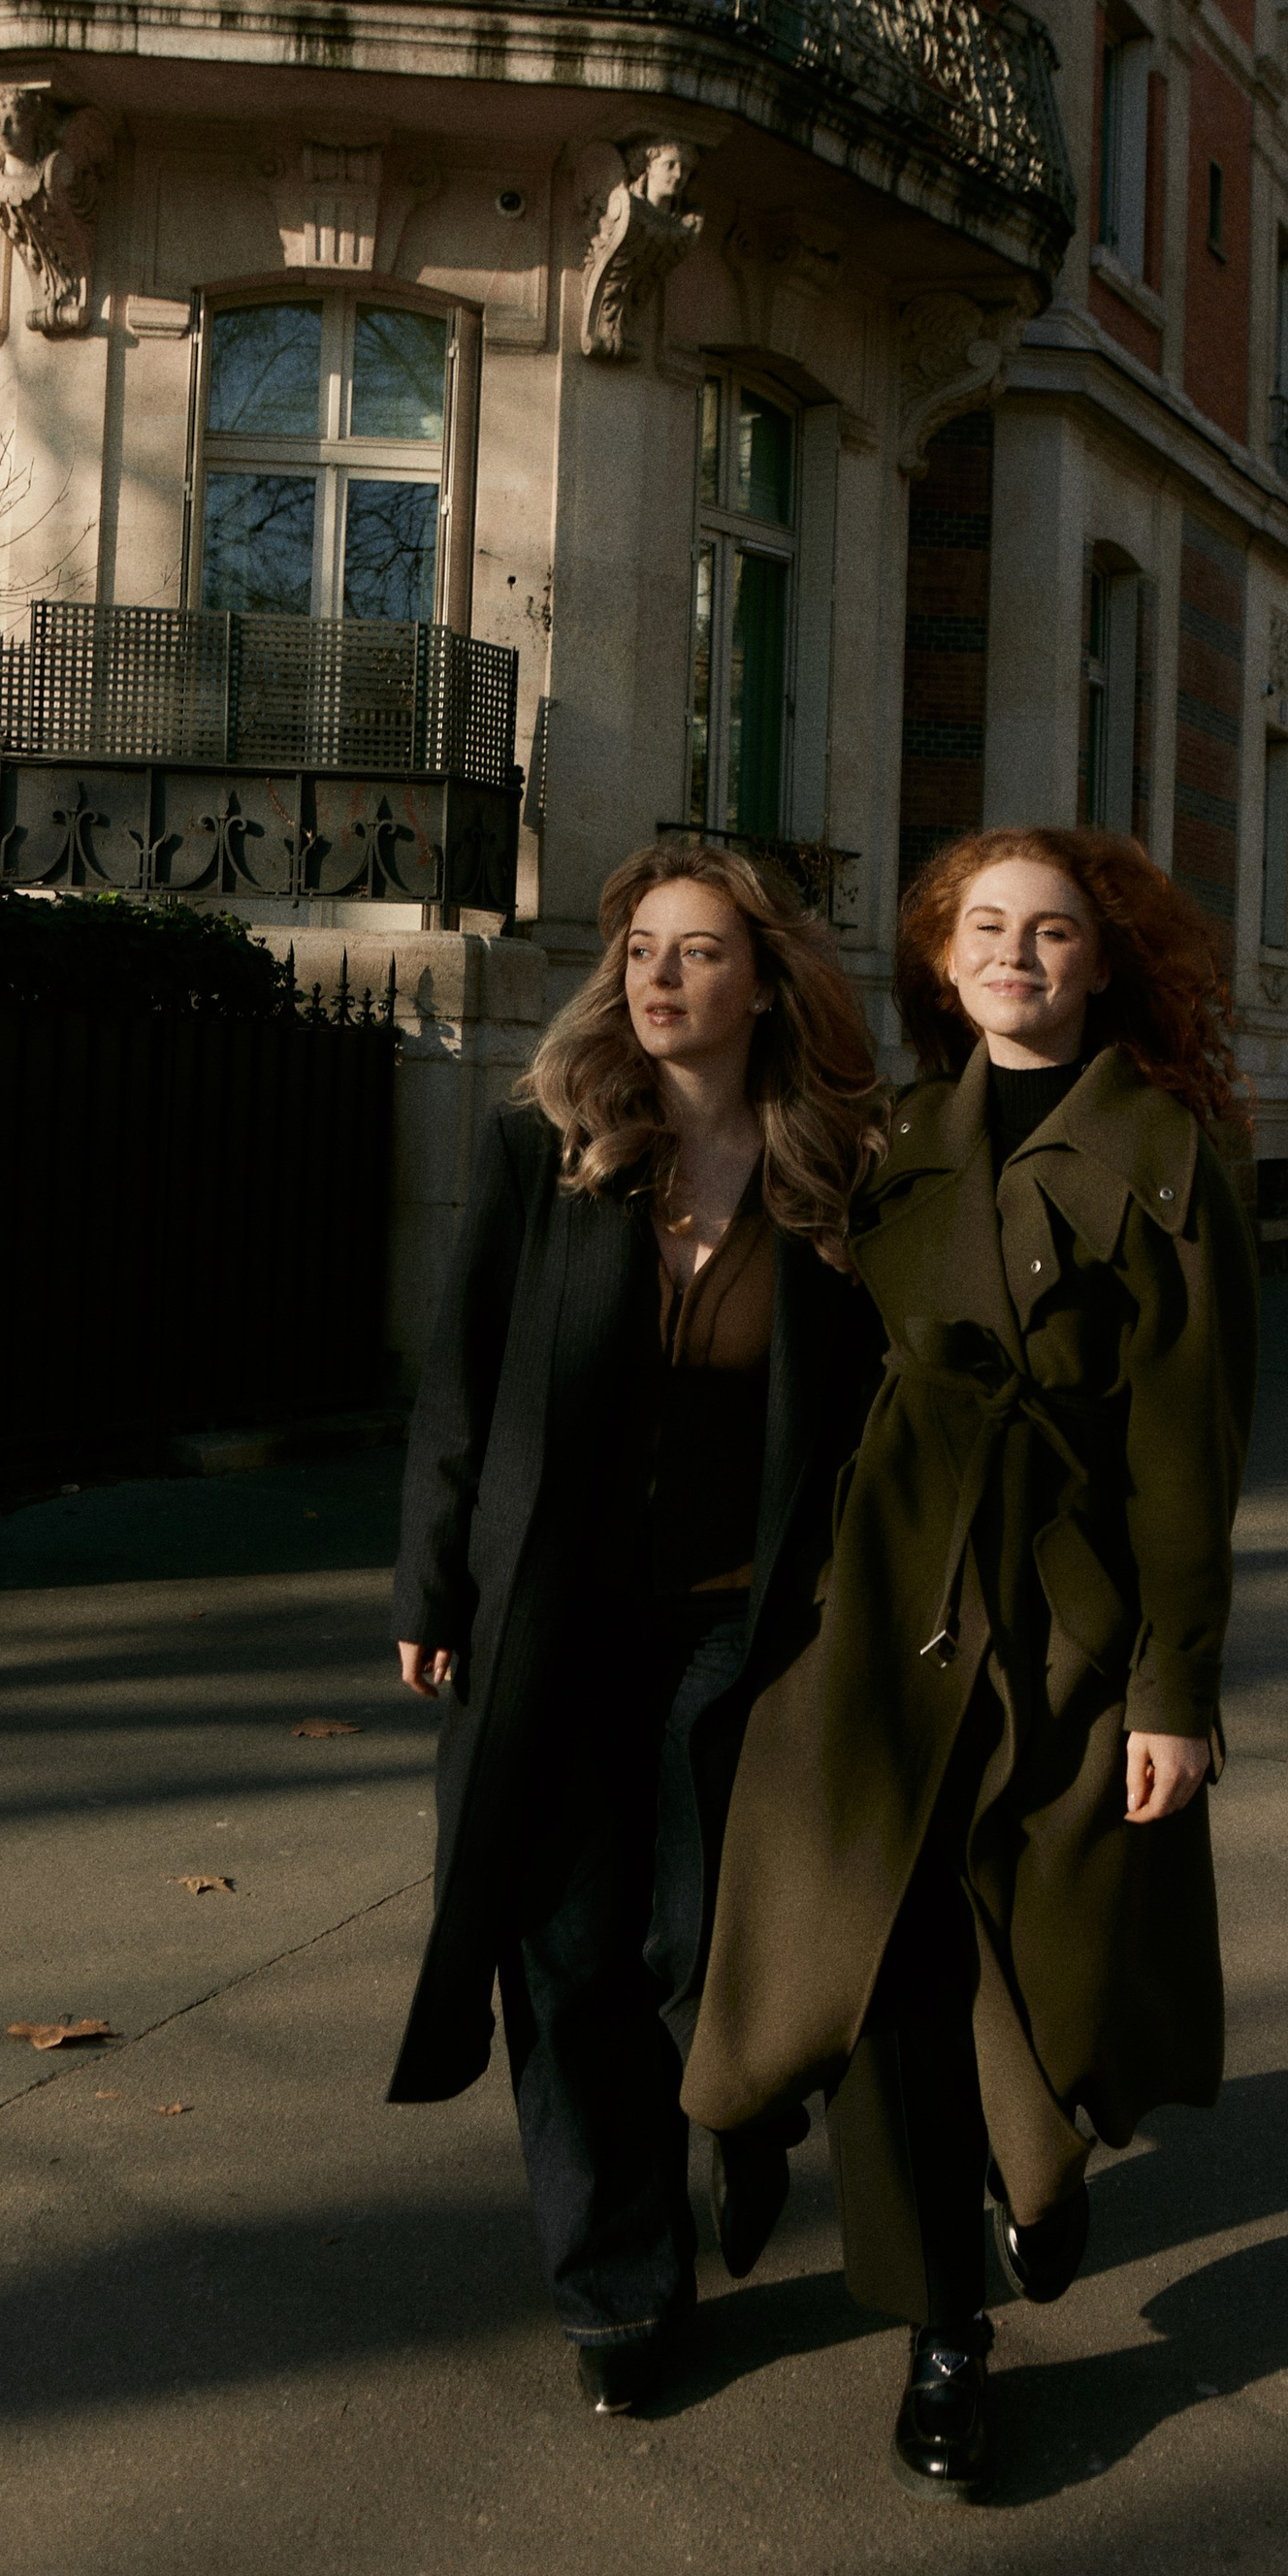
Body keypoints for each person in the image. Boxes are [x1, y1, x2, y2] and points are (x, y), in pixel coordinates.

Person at [685, 824, 1258, 2501]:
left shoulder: (1167, 1158)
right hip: (879, 1620)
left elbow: (1191, 1455)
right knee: (885, 1976)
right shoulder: (891, 1149)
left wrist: (1177, 1693)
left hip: (1069, 1618)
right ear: (942, 960)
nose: (1017, 954)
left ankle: (1047, 2165)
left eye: (1055, 931)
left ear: (1102, 962)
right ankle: (942, 2332)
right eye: (986, 927)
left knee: (1053, 1955)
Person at [387, 840, 885, 2414]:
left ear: (764, 982)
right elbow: (460, 1384)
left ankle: (740, 2112)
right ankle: (617, 2286)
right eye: (643, 954)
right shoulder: (551, 1152)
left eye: (700, 953)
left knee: (696, 1941)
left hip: (749, 1623)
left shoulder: (833, 1177)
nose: (661, 978)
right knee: (568, 1947)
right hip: (558, 1618)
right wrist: (431, 1586)